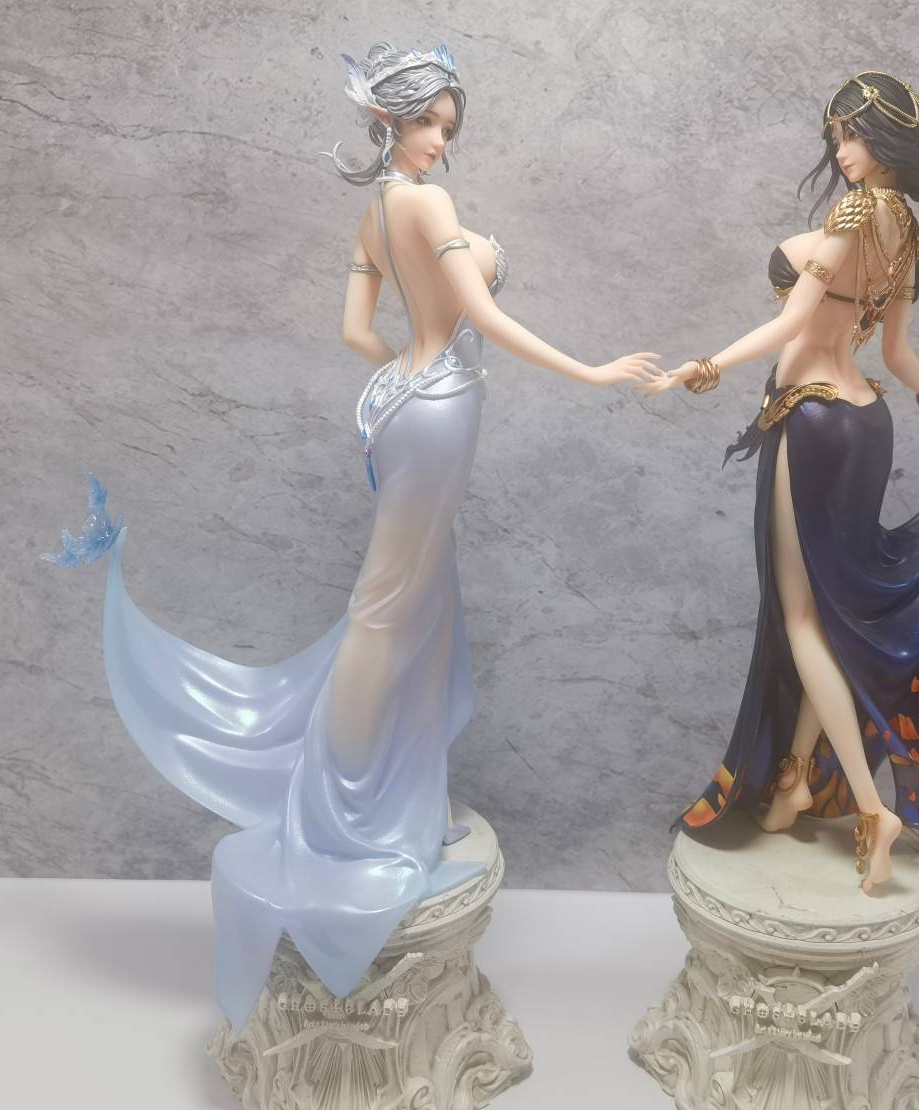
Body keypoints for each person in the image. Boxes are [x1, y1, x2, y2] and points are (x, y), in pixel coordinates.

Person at [48, 42, 656, 1028]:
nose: (438, 141)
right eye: (426, 123)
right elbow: (477, 313)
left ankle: (397, 794)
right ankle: (345, 812)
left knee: (414, 598)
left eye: (447, 127)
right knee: (388, 608)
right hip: (442, 403)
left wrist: (397, 377)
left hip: (399, 405)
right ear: (390, 121)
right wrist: (589, 373)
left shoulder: (373, 213)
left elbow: (352, 333)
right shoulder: (425, 204)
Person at [638, 71, 919, 970]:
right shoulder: (908, 232)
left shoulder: (852, 217)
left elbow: (791, 327)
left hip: (811, 418)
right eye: (837, 136)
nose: (842, 151)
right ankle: (793, 787)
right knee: (833, 615)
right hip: (868, 419)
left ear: (884, 140)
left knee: (805, 620)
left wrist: (704, 366)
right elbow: (898, 352)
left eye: (851, 135)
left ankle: (871, 804)